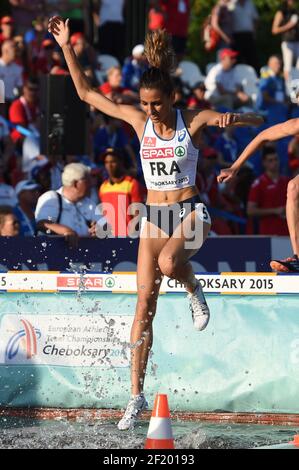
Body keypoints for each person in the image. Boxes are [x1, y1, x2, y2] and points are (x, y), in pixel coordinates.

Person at [48, 16, 263, 429]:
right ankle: (136, 397)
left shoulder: (192, 120)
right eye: (145, 103)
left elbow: (248, 119)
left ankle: (194, 287)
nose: (150, 110)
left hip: (191, 213)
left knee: (169, 265)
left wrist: (237, 120)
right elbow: (87, 93)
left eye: (157, 103)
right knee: (143, 306)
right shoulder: (139, 121)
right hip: (153, 217)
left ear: (172, 98)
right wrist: (66, 47)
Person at [218, 98, 299, 272]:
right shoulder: (296, 124)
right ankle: (298, 257)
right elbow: (263, 136)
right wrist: (235, 167)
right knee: (293, 187)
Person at [35, 162, 106, 246]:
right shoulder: (52, 198)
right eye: (88, 180)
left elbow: (106, 230)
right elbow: (43, 224)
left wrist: (100, 230)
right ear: (75, 184)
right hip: (53, 256)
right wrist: (67, 231)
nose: (91, 183)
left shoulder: (89, 203)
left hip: (84, 257)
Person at [99, 148, 145, 237]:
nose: (109, 165)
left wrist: (131, 235)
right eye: (106, 162)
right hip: (109, 237)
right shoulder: (103, 187)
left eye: (113, 162)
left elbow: (138, 215)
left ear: (121, 162)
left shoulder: (132, 184)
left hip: (127, 238)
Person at [247, 147, 289, 236]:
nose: (275, 163)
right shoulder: (258, 183)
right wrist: (275, 211)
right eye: (270, 160)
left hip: (288, 233)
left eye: (276, 159)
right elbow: (250, 210)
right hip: (269, 234)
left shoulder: (287, 182)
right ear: (264, 163)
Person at [272, 0, 299, 81]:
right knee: (288, 66)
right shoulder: (281, 12)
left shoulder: (295, 12)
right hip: (287, 42)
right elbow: (274, 30)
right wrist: (289, 25)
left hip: (297, 41)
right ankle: (288, 88)